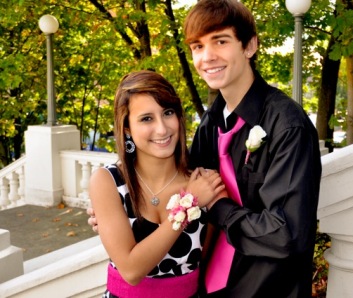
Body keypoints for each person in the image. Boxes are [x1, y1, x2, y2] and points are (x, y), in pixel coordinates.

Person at [184, 0, 322, 297]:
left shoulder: (287, 126)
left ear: (249, 46)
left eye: (220, 41)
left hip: (265, 288)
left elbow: (285, 233)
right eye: (197, 46)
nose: (207, 57)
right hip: (207, 285)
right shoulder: (211, 123)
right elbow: (185, 186)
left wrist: (219, 208)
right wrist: (123, 201)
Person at [88, 69, 225, 298]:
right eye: (146, 118)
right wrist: (188, 203)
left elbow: (209, 262)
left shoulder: (204, 183)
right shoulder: (107, 181)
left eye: (168, 113)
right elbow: (131, 270)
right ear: (127, 128)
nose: (162, 129)